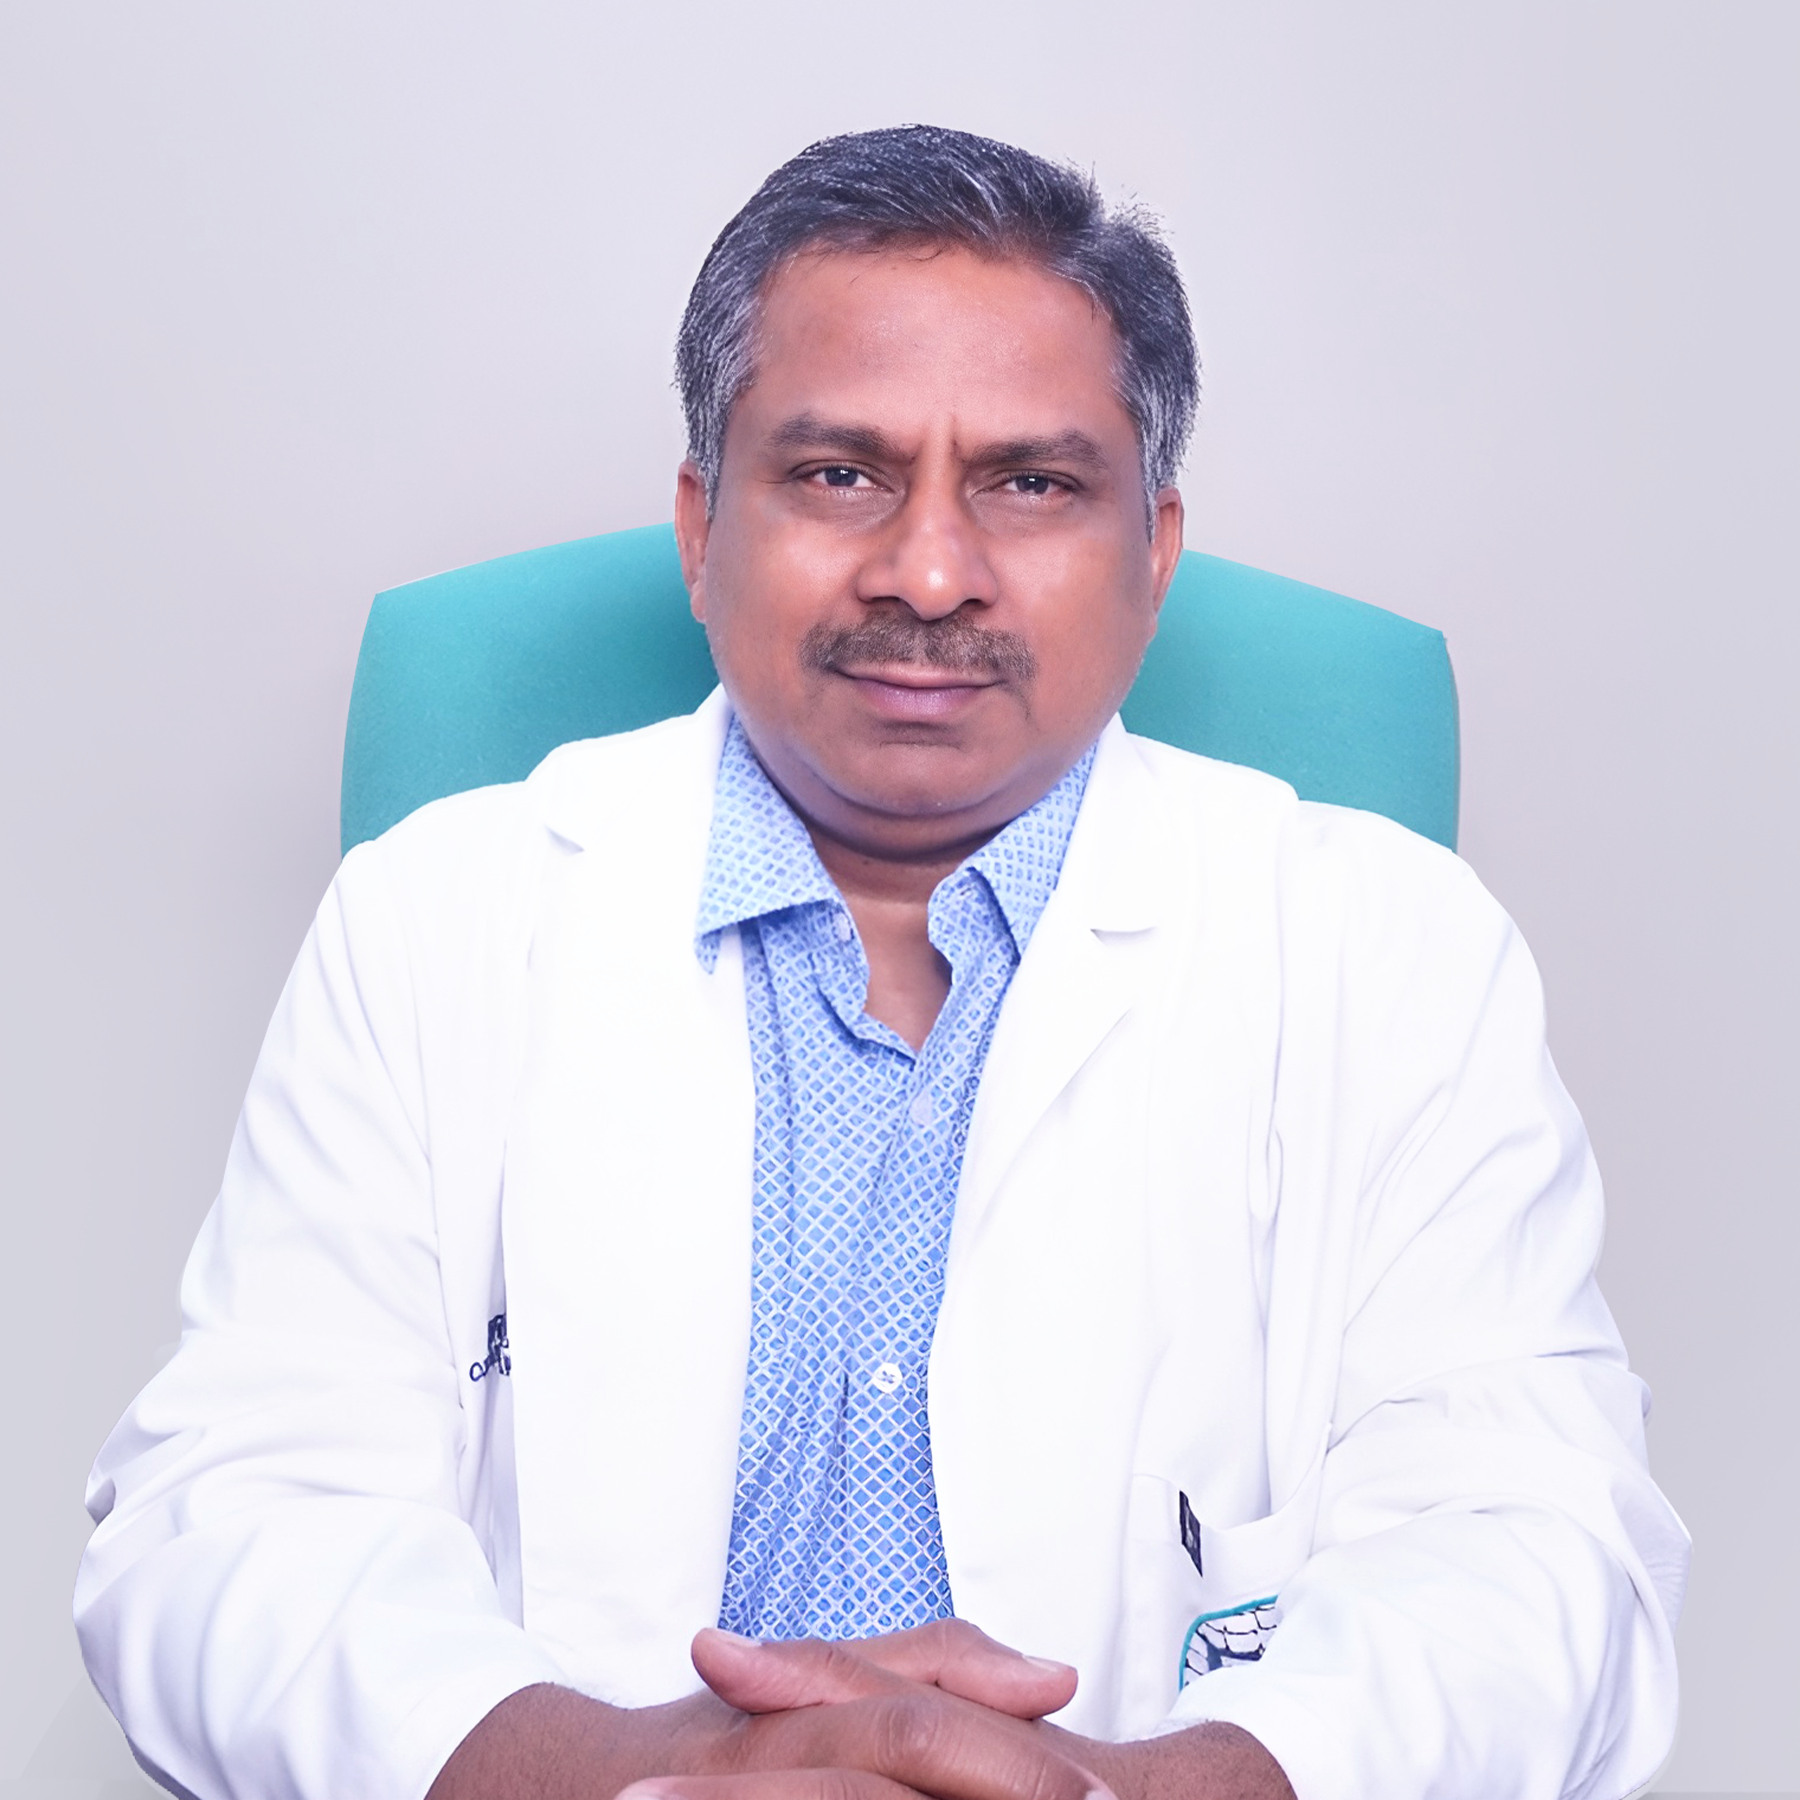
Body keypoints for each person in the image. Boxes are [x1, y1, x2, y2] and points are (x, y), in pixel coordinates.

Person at [74, 126, 1687, 1800]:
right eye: (840, 473)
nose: (928, 572)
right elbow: (224, 1529)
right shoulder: (441, 917)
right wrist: (643, 1782)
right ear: (701, 529)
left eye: (1031, 483)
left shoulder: (1392, 951)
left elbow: (1539, 1556)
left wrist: (1142, 1794)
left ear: (1154, 553)